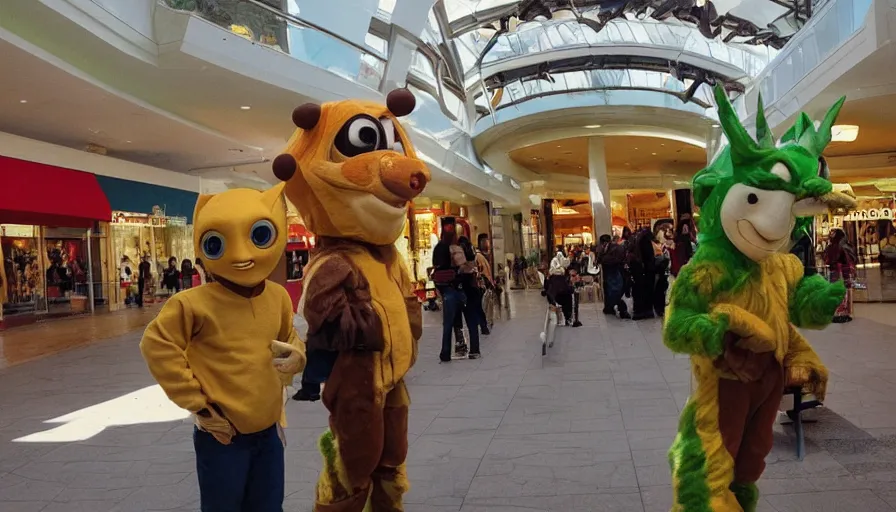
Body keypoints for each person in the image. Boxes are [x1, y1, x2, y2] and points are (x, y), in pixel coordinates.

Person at [140, 184, 305, 512]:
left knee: (270, 505)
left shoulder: (277, 297)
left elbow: (287, 337)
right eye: (216, 243)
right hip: (223, 436)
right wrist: (199, 406)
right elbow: (157, 345)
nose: (242, 256)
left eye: (259, 236)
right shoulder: (191, 304)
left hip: (269, 431)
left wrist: (297, 355)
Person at [432, 223, 481, 362]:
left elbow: (437, 268)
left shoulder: (439, 249)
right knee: (471, 320)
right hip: (463, 288)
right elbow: (466, 267)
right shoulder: (459, 248)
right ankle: (474, 350)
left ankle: (445, 352)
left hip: (448, 290)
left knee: (448, 323)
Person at [823, 228, 856, 323]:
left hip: (837, 271)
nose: (830, 236)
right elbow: (852, 259)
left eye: (833, 234)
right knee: (847, 289)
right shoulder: (847, 245)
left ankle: (839, 313)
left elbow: (829, 259)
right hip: (846, 271)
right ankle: (848, 312)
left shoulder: (834, 247)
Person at [596, 234, 630, 319]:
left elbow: (617, 259)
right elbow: (599, 258)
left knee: (615, 291)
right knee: (610, 291)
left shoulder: (617, 248)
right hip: (608, 272)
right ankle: (609, 308)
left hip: (615, 271)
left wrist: (604, 260)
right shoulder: (603, 248)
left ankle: (622, 310)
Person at [628, 229, 656, 320]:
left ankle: (640, 311)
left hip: (638, 270)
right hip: (645, 270)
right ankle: (646, 310)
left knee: (639, 290)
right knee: (647, 290)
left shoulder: (637, 240)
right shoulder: (645, 241)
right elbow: (649, 257)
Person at [475, 233, 495, 334]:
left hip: (487, 285)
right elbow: (482, 272)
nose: (487, 243)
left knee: (486, 306)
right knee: (483, 306)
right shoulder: (479, 256)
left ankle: (485, 323)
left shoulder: (485, 255)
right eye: (485, 241)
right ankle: (484, 324)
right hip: (483, 286)